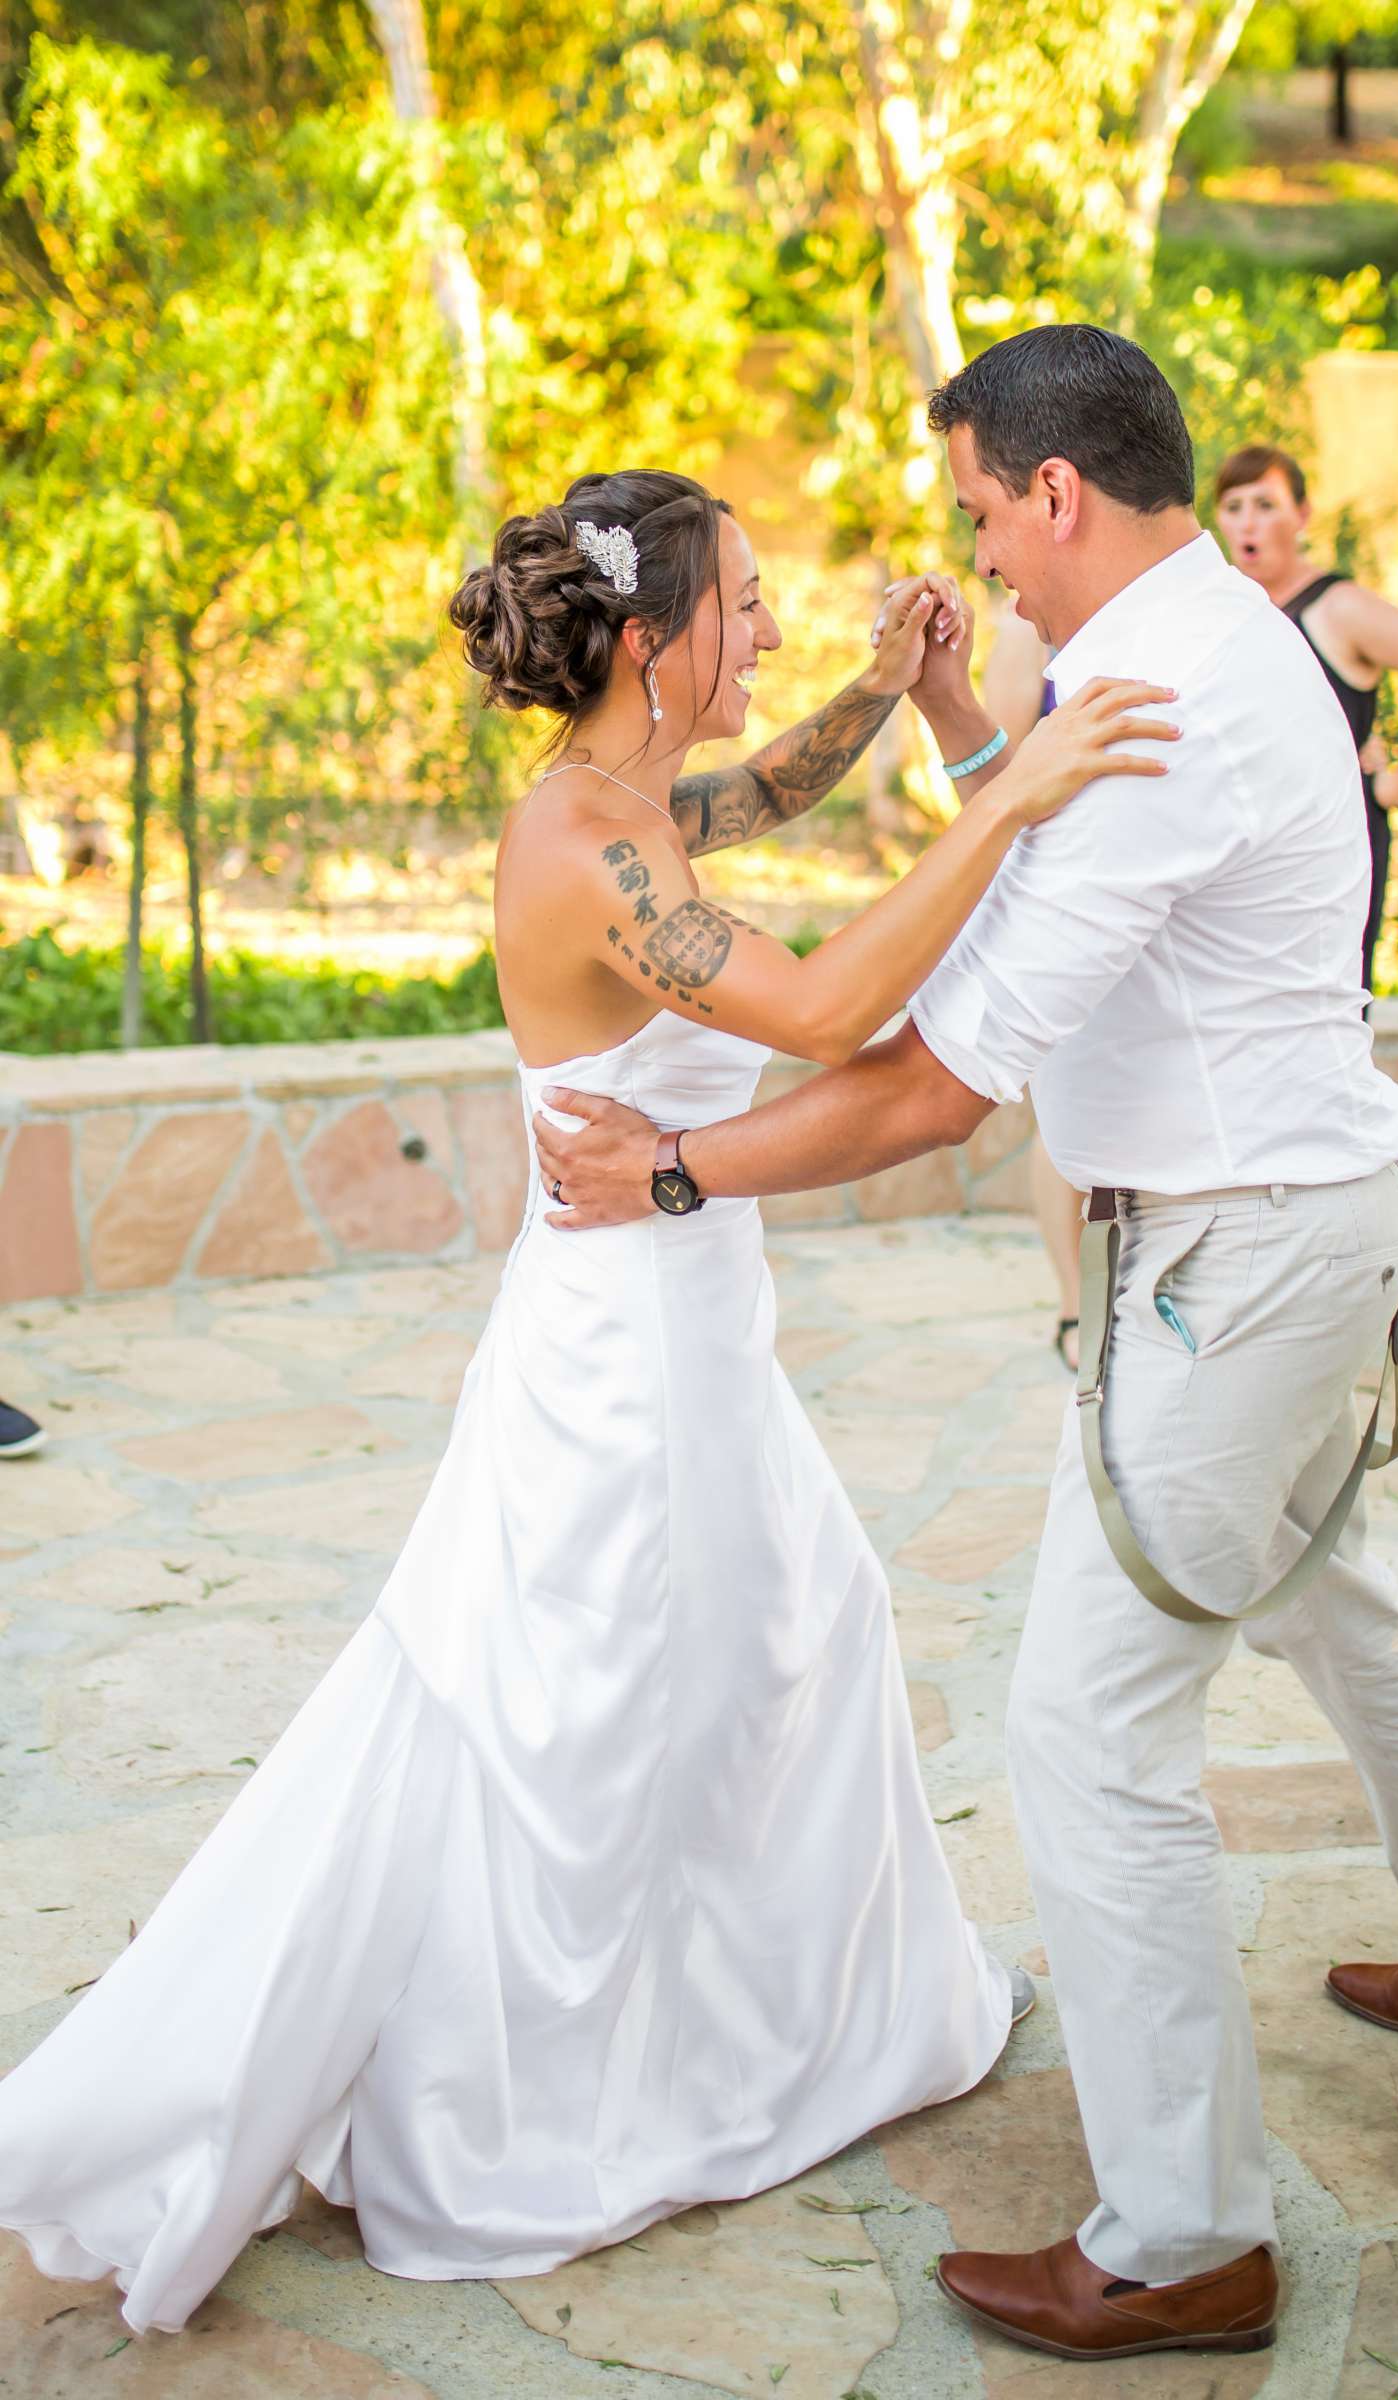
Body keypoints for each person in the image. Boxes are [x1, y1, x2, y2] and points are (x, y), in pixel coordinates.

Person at [0, 467, 1173, 2337]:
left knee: (790, 1645)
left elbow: (763, 795)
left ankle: (763, 2039)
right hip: (620, 1363)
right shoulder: (580, 849)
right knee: (598, 1721)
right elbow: (826, 1005)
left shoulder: (630, 806)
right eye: (751, 600)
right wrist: (1014, 785)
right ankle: (534, 2103)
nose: (772, 624)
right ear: (650, 637)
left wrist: (886, 691)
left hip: (690, 1322)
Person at [533, 333, 1398, 2369]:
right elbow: (1063, 904)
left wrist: (675, 1170)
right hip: (1282, 1234)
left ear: (1049, 497)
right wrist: (955, 726)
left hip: (1231, 1262)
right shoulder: (1183, 651)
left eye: (970, 516)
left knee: (1084, 1737)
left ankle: (1185, 2233)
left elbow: (934, 1081)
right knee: (1324, 1608)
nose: (970, 561)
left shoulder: (1170, 694)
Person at [1213, 442, 1398, 994]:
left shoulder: (1339, 607)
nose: (1248, 521)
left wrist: (1395, 786)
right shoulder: (1227, 609)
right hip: (1246, 849)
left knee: (1324, 1017)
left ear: (1302, 515)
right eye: (1234, 507)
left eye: (1266, 504)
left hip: (1331, 846)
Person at [982, 602, 1084, 1367]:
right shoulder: (1026, 635)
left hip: (1159, 905)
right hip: (1061, 901)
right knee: (1066, 1109)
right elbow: (992, 782)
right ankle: (1077, 1303)